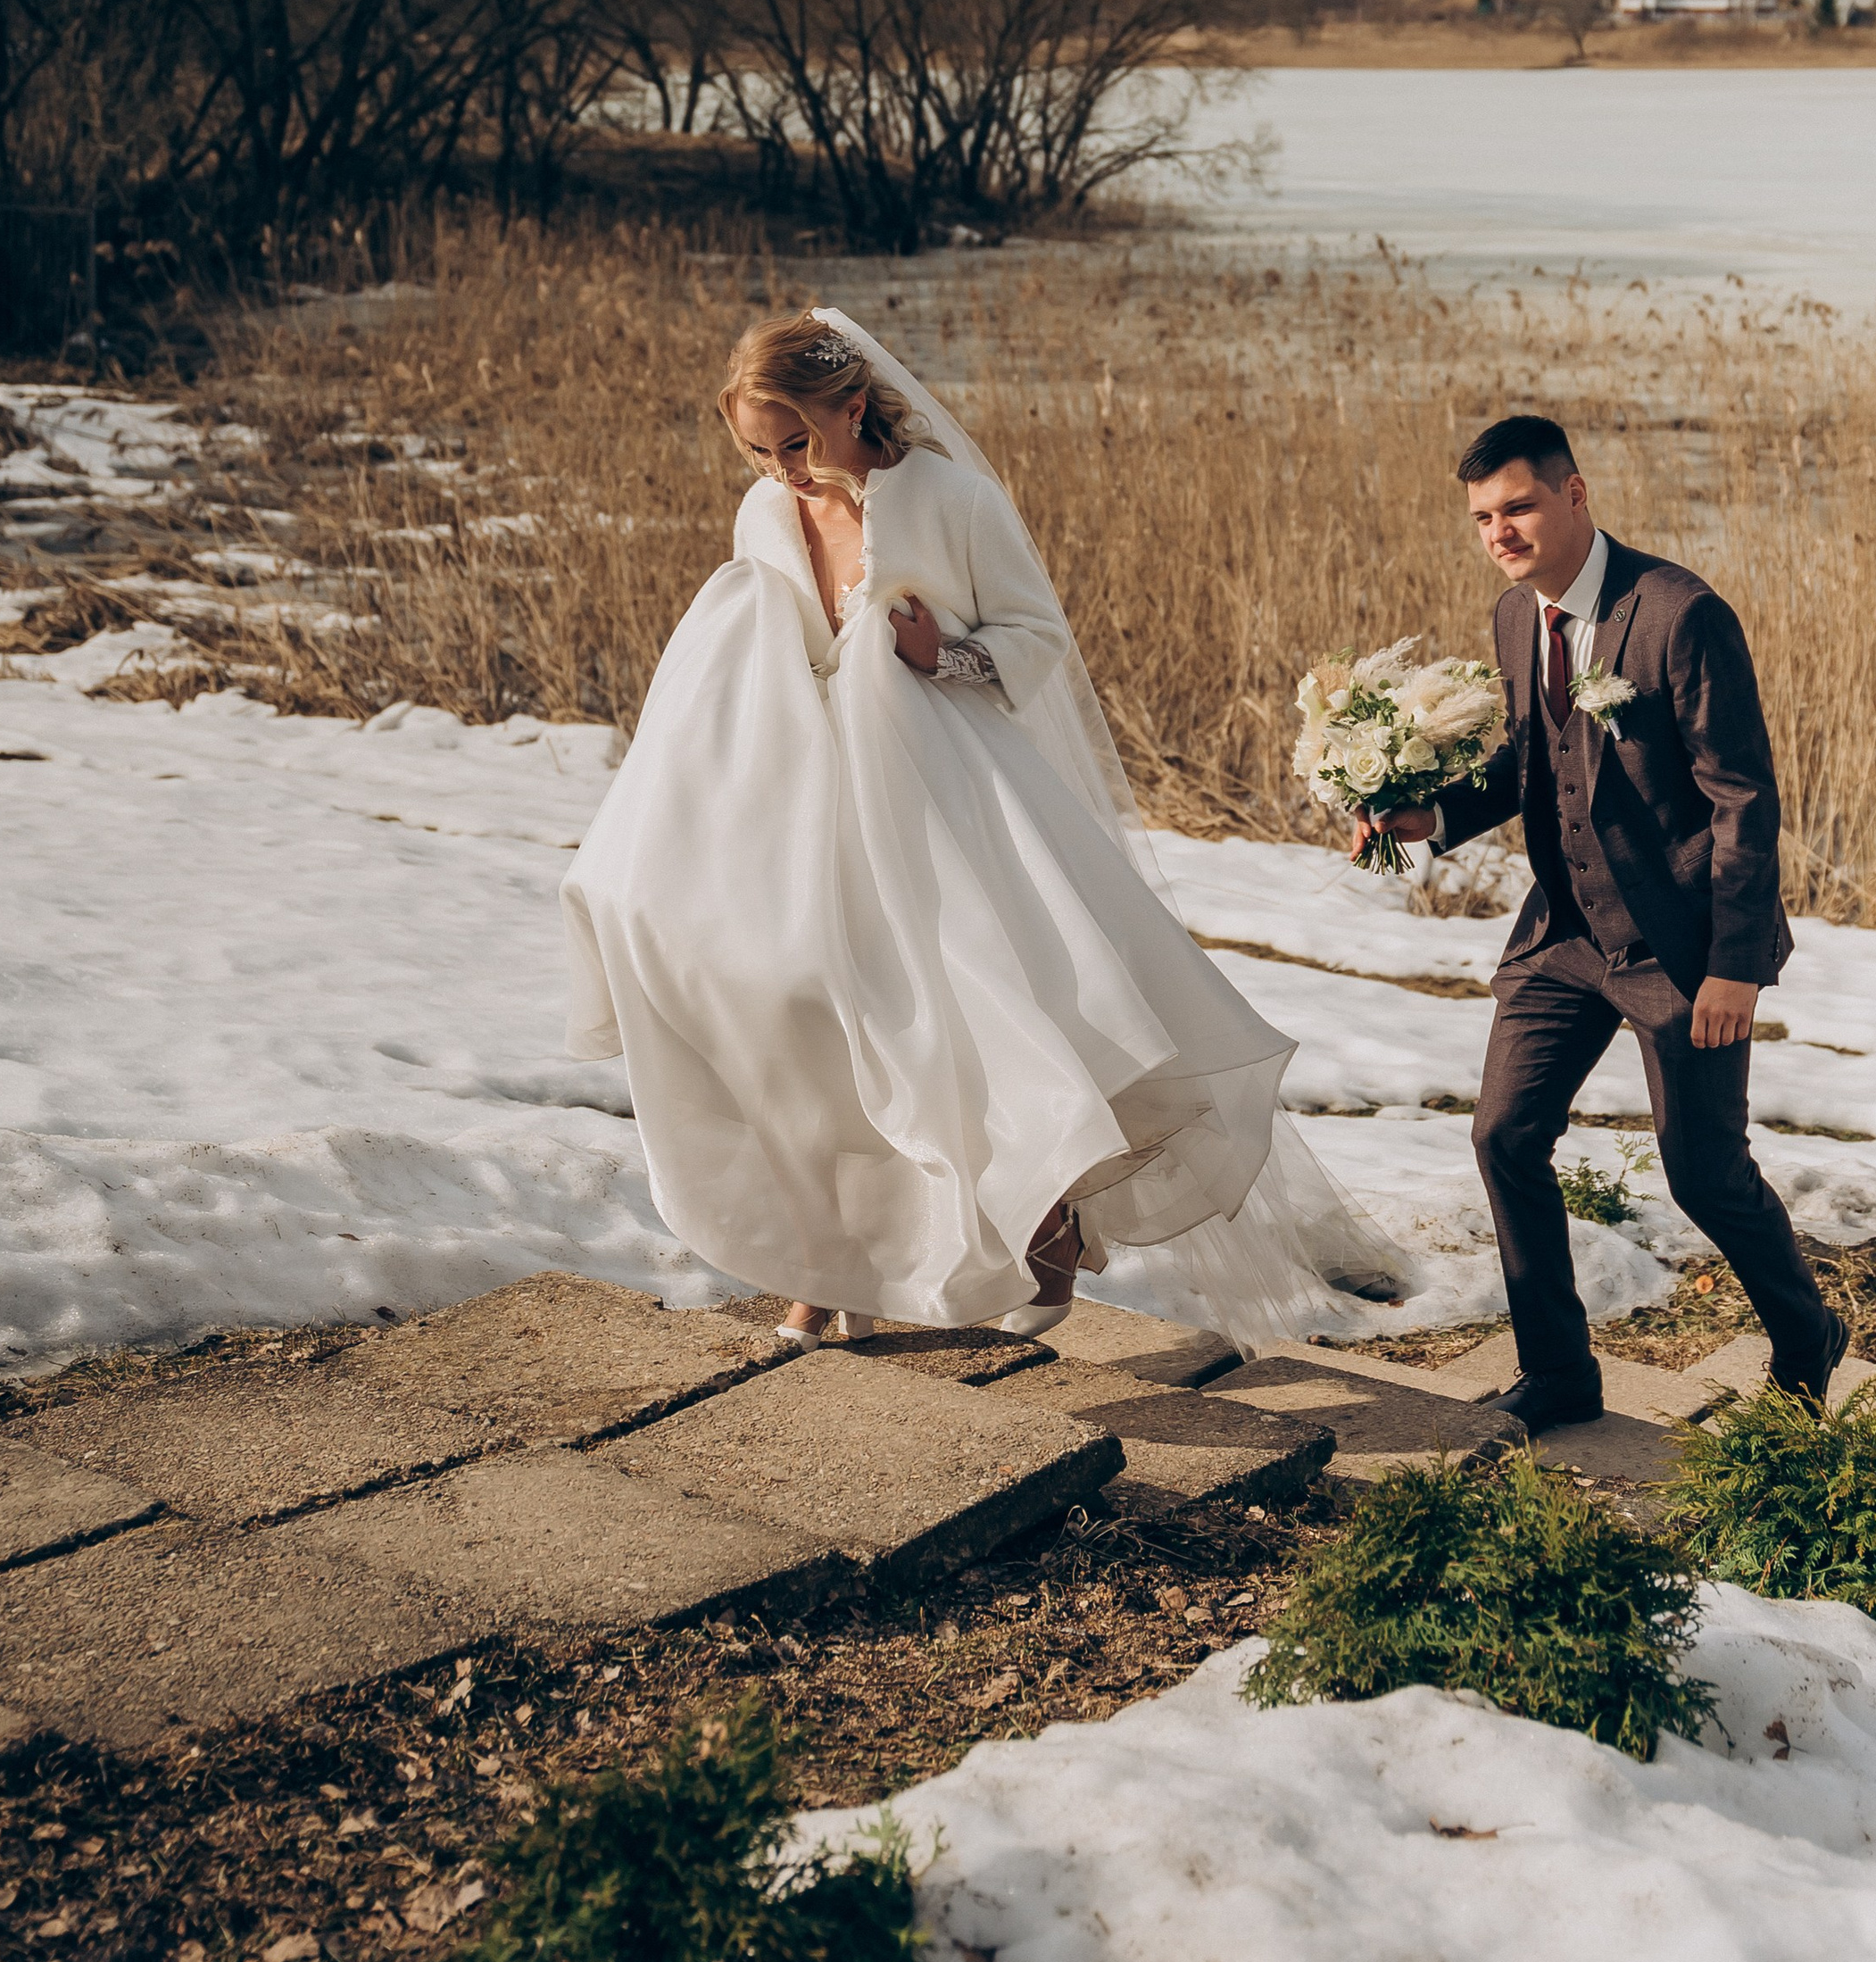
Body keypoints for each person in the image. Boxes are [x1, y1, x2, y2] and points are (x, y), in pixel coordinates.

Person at [562, 305, 1391, 1347]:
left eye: (795, 442)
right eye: (757, 450)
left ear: (851, 405)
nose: (781, 470)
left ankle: (1037, 1220)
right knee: (796, 1016)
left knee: (952, 1023)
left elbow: (1036, 636)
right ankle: (828, 1251)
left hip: (938, 801)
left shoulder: (955, 498)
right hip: (795, 806)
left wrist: (938, 652)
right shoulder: (762, 515)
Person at [1363, 411, 1846, 1434]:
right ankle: (1559, 1372)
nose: (1501, 530)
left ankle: (1807, 1336)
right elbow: (1528, 767)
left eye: (1519, 506)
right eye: (1483, 516)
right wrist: (1434, 816)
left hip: (1679, 945)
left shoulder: (1679, 614)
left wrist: (1734, 968)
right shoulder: (1510, 617)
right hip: (1563, 934)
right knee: (1503, 1134)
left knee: (1702, 1173)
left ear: (1574, 494)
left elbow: (1743, 802)